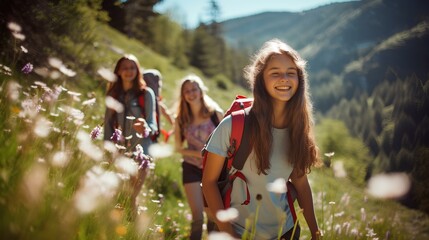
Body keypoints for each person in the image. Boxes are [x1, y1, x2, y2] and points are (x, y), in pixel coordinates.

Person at [202, 39, 322, 240]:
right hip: (238, 231)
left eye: (291, 72)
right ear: (261, 80)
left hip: (285, 232)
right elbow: (209, 182)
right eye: (275, 72)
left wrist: (316, 232)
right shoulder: (234, 125)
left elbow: (300, 182)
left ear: (300, 79)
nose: (284, 78)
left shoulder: (299, 128)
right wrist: (229, 234)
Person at [104, 54, 158, 219]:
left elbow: (153, 125)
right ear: (119, 71)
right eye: (125, 68)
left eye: (132, 67)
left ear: (137, 70)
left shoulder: (146, 94)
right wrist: (107, 149)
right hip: (119, 152)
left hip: (142, 153)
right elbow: (107, 124)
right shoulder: (113, 94)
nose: (129, 71)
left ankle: (133, 231)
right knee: (117, 195)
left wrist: (145, 127)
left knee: (131, 196)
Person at [174, 74, 224, 240]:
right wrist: (201, 153)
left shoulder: (215, 114)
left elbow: (228, 142)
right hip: (191, 168)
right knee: (197, 215)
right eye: (186, 91)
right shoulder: (181, 119)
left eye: (194, 89)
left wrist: (212, 156)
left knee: (211, 215)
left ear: (201, 91)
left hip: (214, 169)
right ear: (183, 95)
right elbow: (178, 149)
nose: (191, 93)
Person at [143, 69, 175, 141]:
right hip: (150, 133)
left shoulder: (153, 101)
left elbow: (166, 112)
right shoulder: (155, 102)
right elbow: (166, 113)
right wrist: (174, 124)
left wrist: (175, 125)